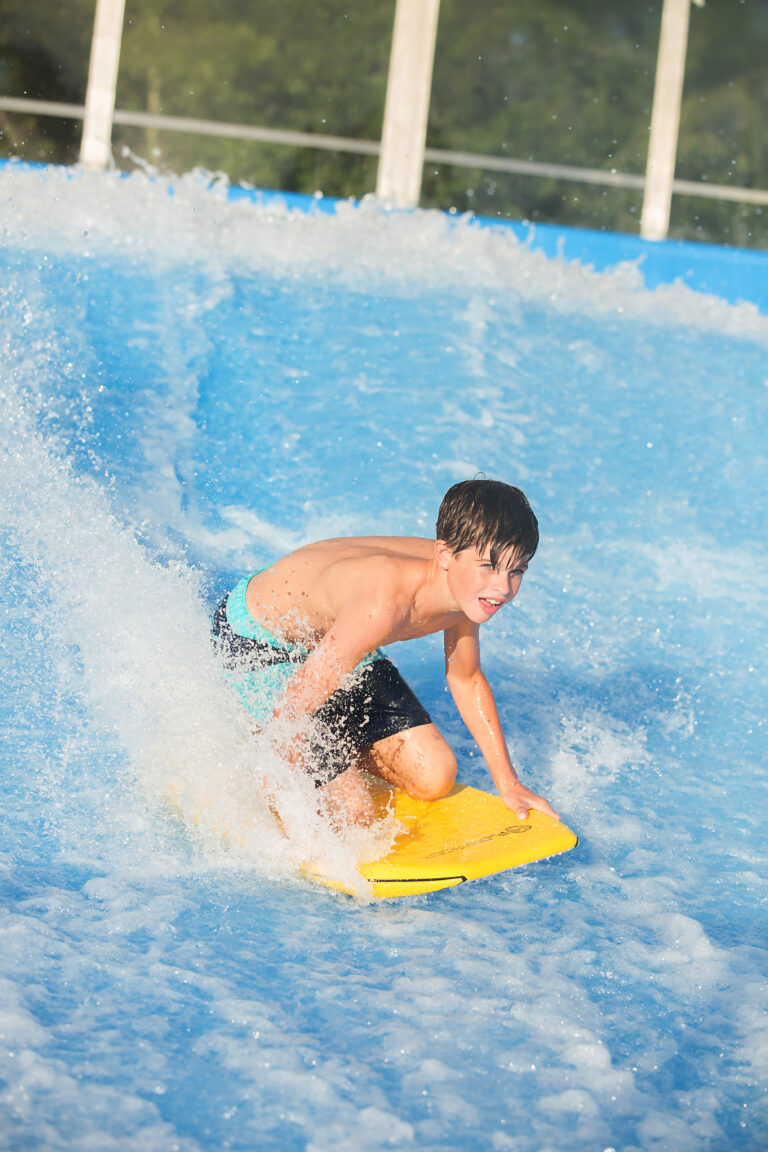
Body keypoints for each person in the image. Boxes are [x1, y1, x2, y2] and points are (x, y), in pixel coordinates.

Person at [212, 478, 558, 825]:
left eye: (517, 571)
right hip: (260, 642)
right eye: (490, 567)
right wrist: (283, 790)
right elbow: (289, 716)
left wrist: (508, 783)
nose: (502, 587)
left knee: (435, 776)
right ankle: (255, 729)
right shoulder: (383, 605)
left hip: (338, 641)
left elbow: (465, 677)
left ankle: (332, 739)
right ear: (445, 555)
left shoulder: (466, 581)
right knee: (354, 816)